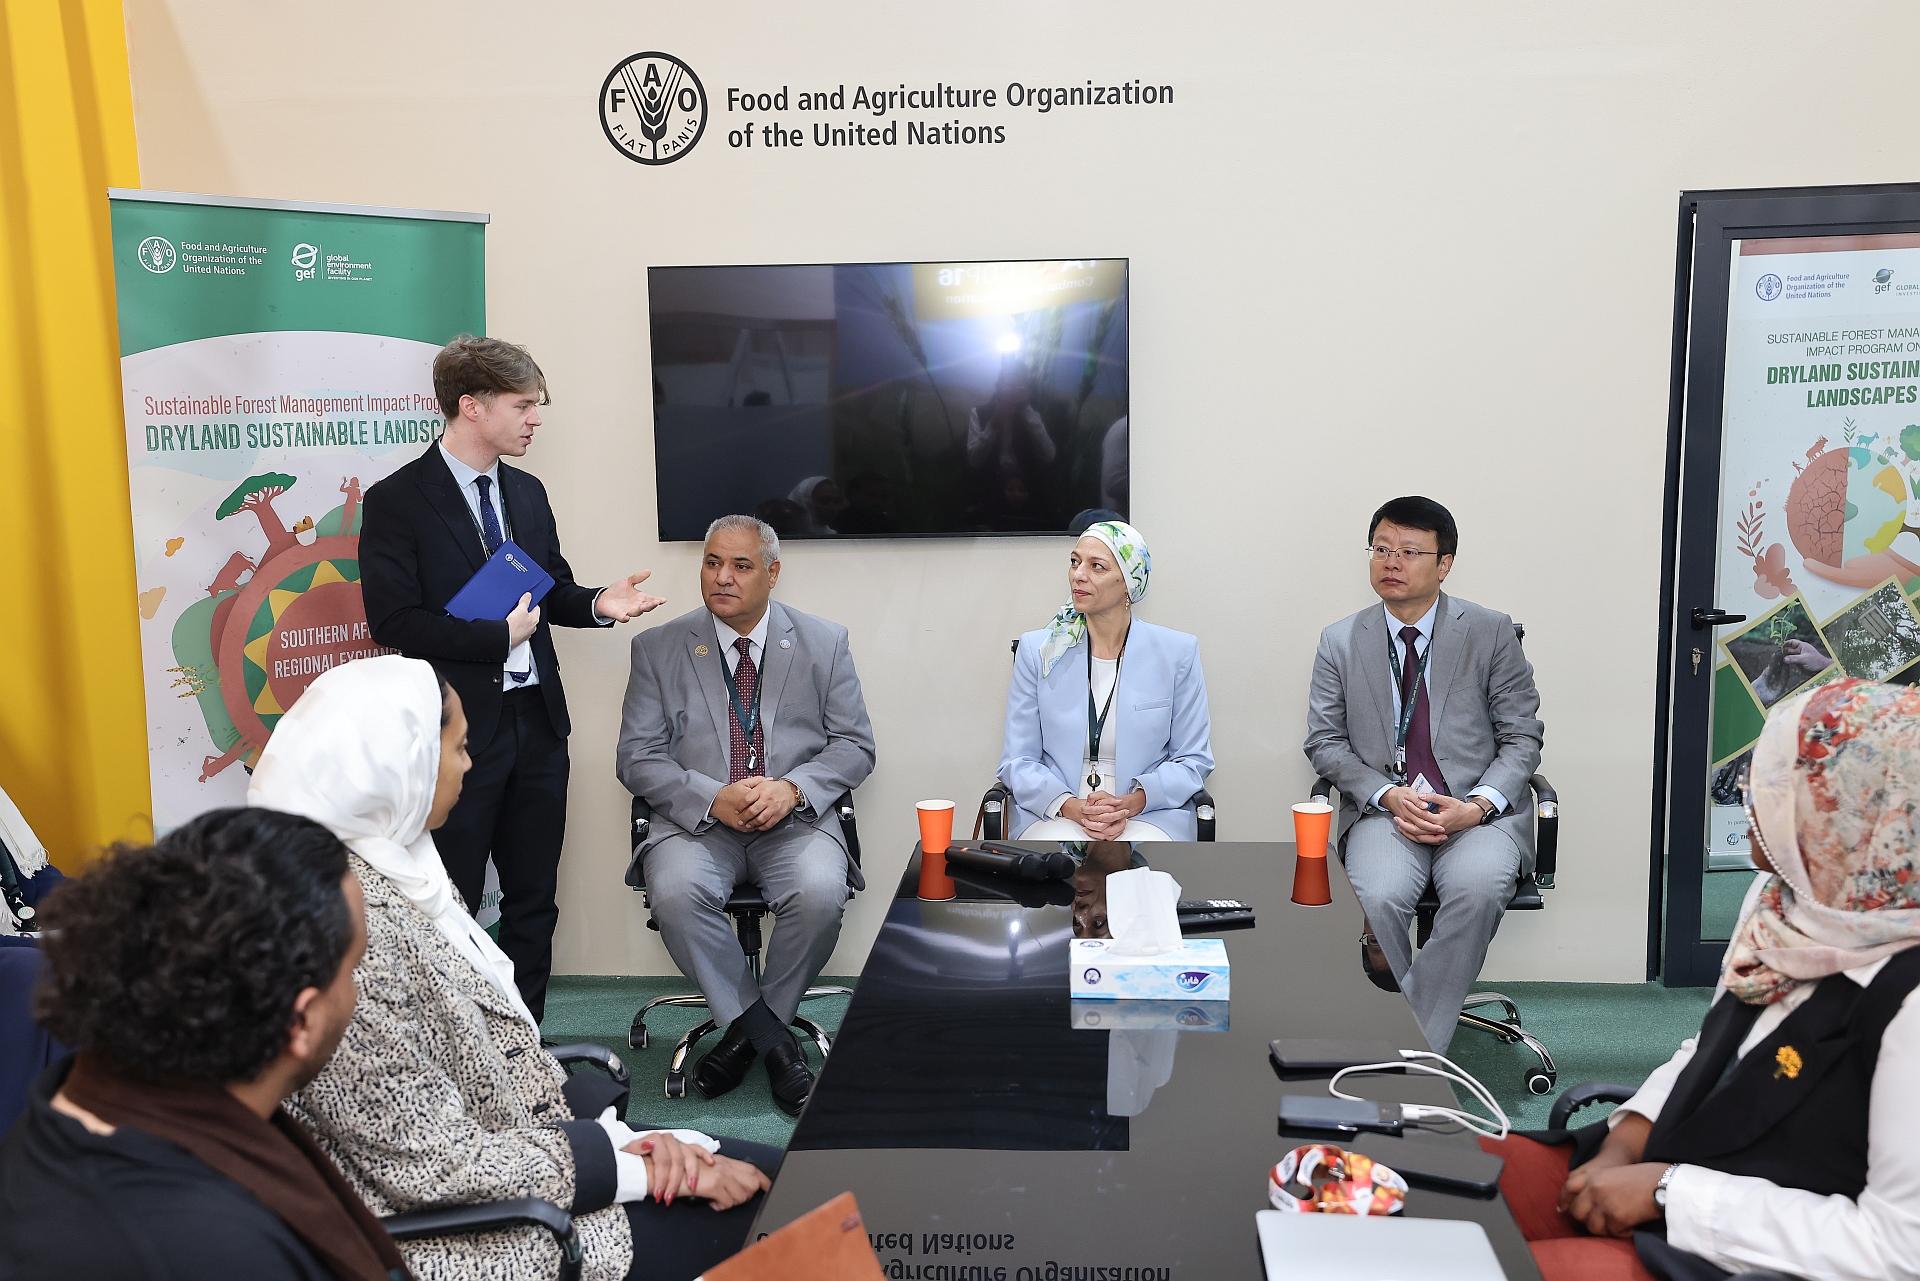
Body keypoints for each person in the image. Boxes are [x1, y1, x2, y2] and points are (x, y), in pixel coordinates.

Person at [250, 655, 778, 1281]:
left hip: (528, 1154)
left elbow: (497, 1046)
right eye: (458, 748)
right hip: (480, 1234)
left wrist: (613, 1136)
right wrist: (632, 1168)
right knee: (786, 1207)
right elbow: (433, 1168)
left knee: (788, 1177)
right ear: (403, 762)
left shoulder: (402, 868)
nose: (470, 764)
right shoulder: (341, 934)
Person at [1483, 678, 1920, 1281]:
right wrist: (1622, 1145)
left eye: (1779, 782)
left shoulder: (1909, 996)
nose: (1749, 795)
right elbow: (1712, 1048)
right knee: (1449, 1178)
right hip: (1681, 1163)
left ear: (1854, 811)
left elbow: (1899, 1251)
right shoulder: (1784, 902)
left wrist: (1670, 1193)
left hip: (1755, 1245)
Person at [358, 334, 667, 1021]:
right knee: (454, 899)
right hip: (457, 734)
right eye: (523, 405)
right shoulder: (397, 500)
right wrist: (494, 638)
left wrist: (597, 603)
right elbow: (393, 620)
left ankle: (527, 1043)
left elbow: (547, 588)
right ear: (472, 405)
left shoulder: (526, 492)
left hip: (538, 723)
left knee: (534, 898)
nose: (535, 419)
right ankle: (463, 1043)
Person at [0, 806, 401, 1281]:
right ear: (302, 1019)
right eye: (352, 970)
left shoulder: (74, 1104)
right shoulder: (218, 1251)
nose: (355, 993)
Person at [616, 515, 876, 1116]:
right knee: (675, 893)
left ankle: (744, 1037)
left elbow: (855, 746)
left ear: (772, 573)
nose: (722, 577)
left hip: (794, 822)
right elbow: (637, 757)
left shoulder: (823, 642)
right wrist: (711, 797)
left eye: (740, 565)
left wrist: (792, 789)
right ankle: (776, 1045)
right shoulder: (658, 647)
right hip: (698, 824)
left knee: (819, 892)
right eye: (712, 563)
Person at [1304, 496, 1543, 1053]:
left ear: (1444, 564)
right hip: (1385, 813)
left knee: (1478, 889)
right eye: (1381, 549)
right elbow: (1325, 742)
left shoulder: (1489, 632)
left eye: (1410, 552)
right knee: (1377, 894)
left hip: (1476, 815)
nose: (1391, 562)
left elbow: (1522, 738)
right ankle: (1415, 1039)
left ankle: (1408, 1051)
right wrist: (1386, 795)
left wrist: (1477, 806)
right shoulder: (1340, 640)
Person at [1001, 520, 1213, 841]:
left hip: (1148, 814)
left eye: (1096, 566)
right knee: (1052, 863)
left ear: (1128, 582)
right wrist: (1072, 806)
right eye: (1075, 562)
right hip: (1055, 810)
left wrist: (1131, 803)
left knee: (1147, 865)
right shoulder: (1040, 651)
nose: (1078, 574)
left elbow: (1192, 759)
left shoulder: (1177, 653)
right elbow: (1018, 761)